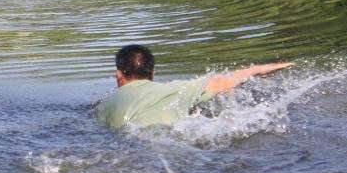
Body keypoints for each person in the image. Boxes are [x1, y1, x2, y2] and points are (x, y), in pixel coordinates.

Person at [95, 44, 292, 128]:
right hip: (175, 138)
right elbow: (227, 80)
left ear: (118, 74)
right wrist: (277, 66)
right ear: (153, 74)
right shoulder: (178, 89)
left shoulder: (104, 105)